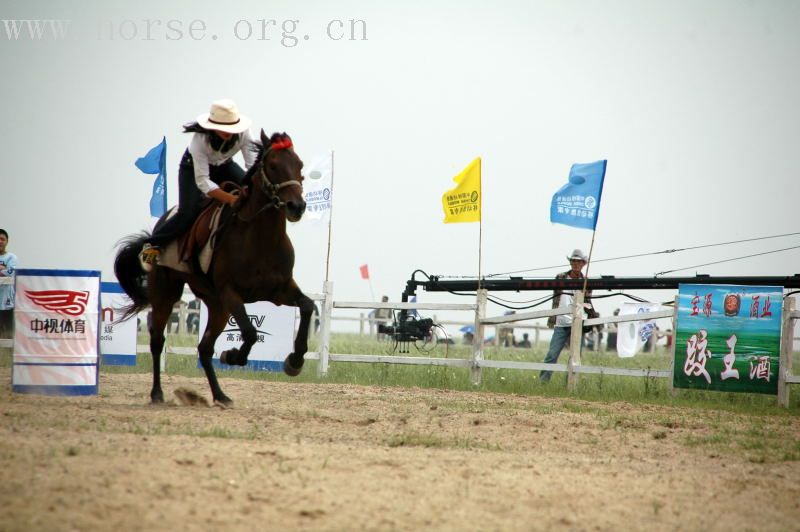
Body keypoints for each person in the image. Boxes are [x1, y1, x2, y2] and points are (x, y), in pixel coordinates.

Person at [139, 99, 257, 271]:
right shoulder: (199, 141)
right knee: (188, 211)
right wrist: (231, 199)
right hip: (192, 168)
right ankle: (152, 244)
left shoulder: (245, 133)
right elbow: (203, 182)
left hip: (224, 165)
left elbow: (252, 166)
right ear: (212, 127)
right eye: (225, 129)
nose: (229, 133)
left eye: (232, 128)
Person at [540, 249, 593, 383]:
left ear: (583, 264)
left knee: (575, 357)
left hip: (578, 323)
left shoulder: (586, 281)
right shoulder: (560, 277)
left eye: (578, 262)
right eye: (573, 261)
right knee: (552, 355)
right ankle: (543, 382)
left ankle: (569, 384)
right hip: (561, 322)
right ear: (570, 263)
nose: (575, 264)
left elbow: (588, 301)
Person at [0, 229, 18, 338]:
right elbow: (6, 271)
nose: (0, 241)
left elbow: (10, 273)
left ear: (7, 241)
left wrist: (5, 270)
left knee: (8, 336)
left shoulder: (12, 258)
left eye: (2, 239)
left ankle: (6, 356)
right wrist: (4, 268)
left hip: (6, 303)